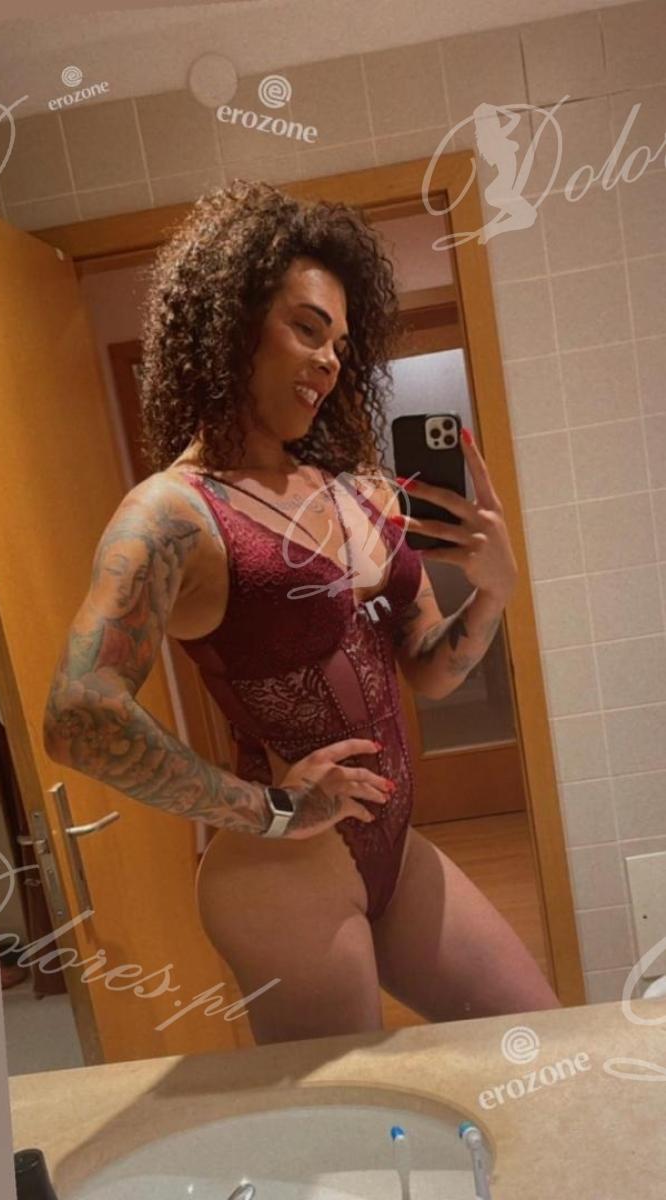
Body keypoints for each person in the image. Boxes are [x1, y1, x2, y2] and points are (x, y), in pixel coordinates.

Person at [43, 178, 561, 1046]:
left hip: (395, 850)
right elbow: (77, 714)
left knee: (540, 1041)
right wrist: (272, 809)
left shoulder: (358, 488)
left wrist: (494, 590)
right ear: (233, 324)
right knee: (345, 1115)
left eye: (341, 344)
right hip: (283, 874)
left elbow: (430, 671)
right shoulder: (173, 513)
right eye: (307, 328)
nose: (328, 361)